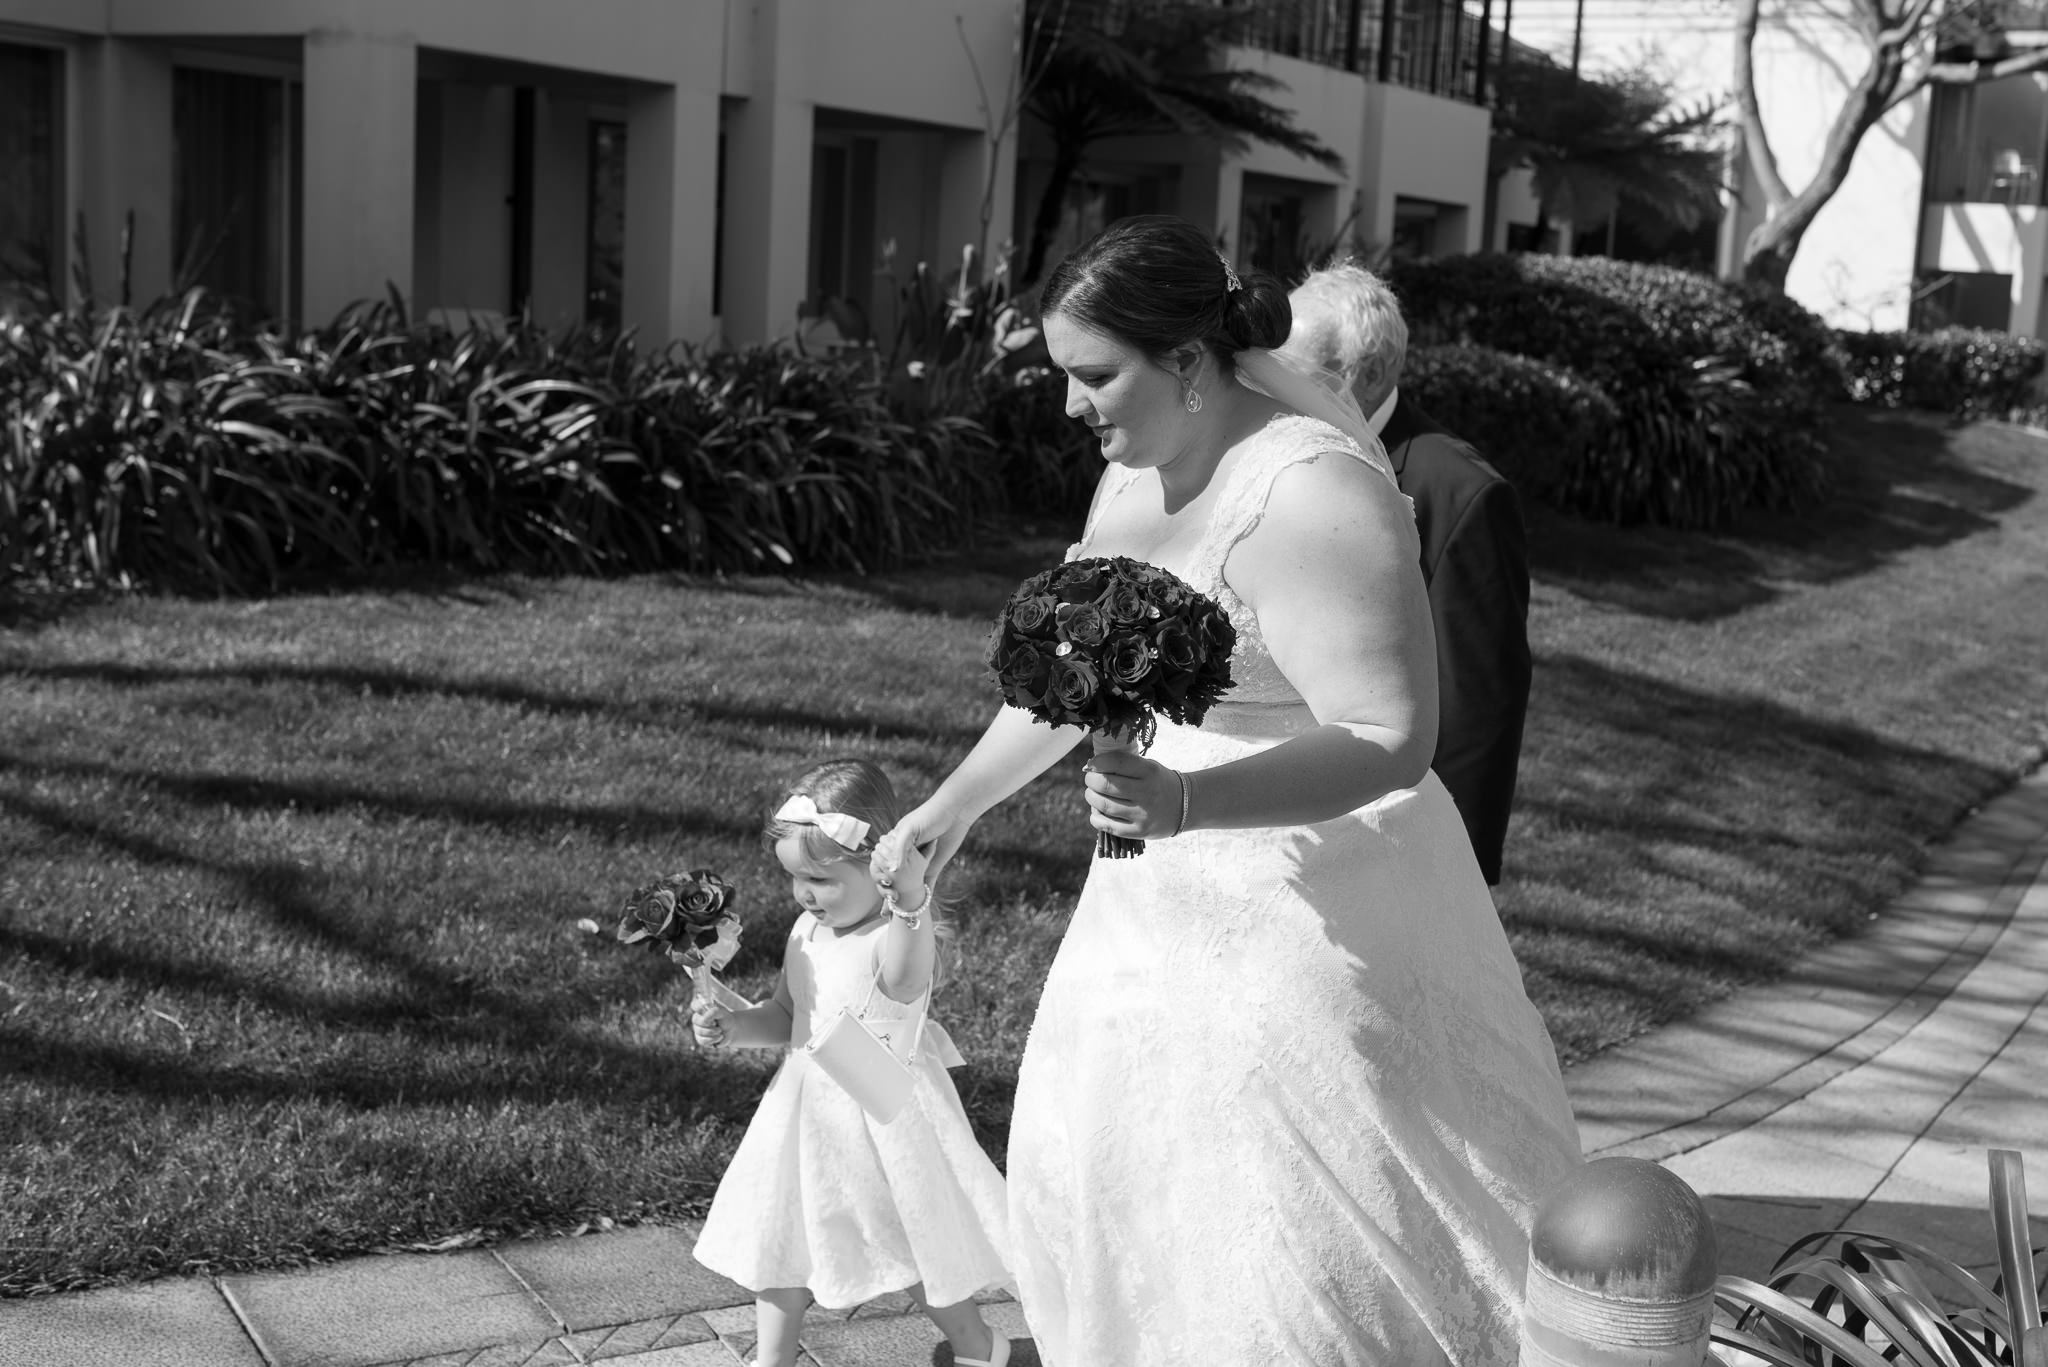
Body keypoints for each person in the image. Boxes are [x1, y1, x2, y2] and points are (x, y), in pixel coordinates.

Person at [878, 215, 1583, 1366]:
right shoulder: (1127, 486)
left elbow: (1392, 734)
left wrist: (1186, 803)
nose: (1070, 406)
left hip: (1316, 901)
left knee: (1291, 1204)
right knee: (1119, 1163)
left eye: (1093, 375)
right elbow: (1067, 674)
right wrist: (948, 810)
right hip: (1153, 898)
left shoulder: (1312, 495)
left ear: (1191, 365)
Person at [690, 758, 1013, 1367]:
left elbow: (903, 982)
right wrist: (733, 1026)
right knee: (779, 1231)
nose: (806, 894)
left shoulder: (894, 935)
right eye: (795, 879)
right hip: (806, 1113)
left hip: (883, 1117)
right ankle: (773, 1358)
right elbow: (788, 1017)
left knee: (905, 1239)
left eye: (823, 879)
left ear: (878, 866)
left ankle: (978, 1345)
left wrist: (911, 901)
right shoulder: (805, 932)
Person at [1282, 260, 1532, 885]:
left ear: (1362, 375)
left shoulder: (1459, 492)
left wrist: (1455, 871)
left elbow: (1478, 700)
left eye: (1295, 368)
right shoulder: (1279, 457)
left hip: (1394, 826)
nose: (1273, 385)